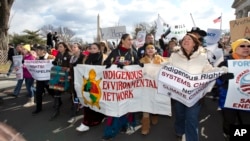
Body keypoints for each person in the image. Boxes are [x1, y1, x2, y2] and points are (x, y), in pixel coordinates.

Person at [167, 33, 227, 141]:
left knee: (191, 118)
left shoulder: (202, 57)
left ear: (194, 43)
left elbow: (209, 70)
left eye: (189, 39)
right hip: (178, 93)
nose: (186, 40)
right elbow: (166, 69)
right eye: (184, 39)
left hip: (195, 94)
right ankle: (179, 131)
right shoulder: (174, 56)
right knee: (180, 115)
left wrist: (222, 71)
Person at [102, 33, 142, 140]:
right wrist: (115, 64)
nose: (131, 41)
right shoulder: (115, 52)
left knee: (127, 107)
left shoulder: (133, 51)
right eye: (129, 39)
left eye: (131, 40)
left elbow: (137, 63)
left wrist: (140, 65)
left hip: (129, 85)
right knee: (115, 108)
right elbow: (106, 63)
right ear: (123, 40)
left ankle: (125, 125)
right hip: (116, 86)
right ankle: (110, 132)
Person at [216, 38, 250, 140]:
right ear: (235, 48)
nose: (246, 48)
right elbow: (216, 78)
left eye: (248, 46)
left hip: (246, 100)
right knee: (229, 121)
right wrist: (224, 78)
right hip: (229, 99)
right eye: (242, 46)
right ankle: (227, 133)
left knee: (246, 122)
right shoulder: (226, 63)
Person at [75, 43, 105, 132]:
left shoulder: (103, 58)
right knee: (87, 101)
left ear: (99, 50)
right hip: (88, 83)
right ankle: (86, 123)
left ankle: (97, 118)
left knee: (96, 101)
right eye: (91, 48)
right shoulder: (86, 58)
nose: (92, 50)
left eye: (94, 48)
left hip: (98, 85)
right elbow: (79, 66)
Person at [139, 43, 165, 135]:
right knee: (146, 105)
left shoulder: (160, 59)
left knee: (155, 102)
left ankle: (155, 115)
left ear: (155, 50)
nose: (150, 49)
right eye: (148, 48)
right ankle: (145, 125)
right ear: (145, 51)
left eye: (152, 48)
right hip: (146, 86)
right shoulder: (141, 60)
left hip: (157, 86)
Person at [50, 42, 71, 120]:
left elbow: (70, 65)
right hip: (58, 74)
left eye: (61, 46)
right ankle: (57, 107)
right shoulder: (58, 54)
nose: (59, 48)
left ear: (65, 47)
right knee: (56, 89)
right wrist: (54, 62)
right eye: (58, 47)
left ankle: (73, 108)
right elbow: (56, 61)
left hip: (66, 75)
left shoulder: (69, 55)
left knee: (67, 90)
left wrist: (66, 68)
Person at [32, 45, 55, 115]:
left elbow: (54, 66)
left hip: (48, 79)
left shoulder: (51, 57)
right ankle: (38, 108)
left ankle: (58, 101)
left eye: (38, 50)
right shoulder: (37, 58)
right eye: (36, 50)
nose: (37, 52)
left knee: (51, 92)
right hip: (40, 79)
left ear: (43, 51)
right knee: (38, 93)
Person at [67, 43, 85, 123]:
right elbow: (70, 68)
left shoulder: (83, 57)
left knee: (81, 93)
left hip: (81, 79)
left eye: (74, 47)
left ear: (79, 48)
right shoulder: (72, 57)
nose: (73, 48)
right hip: (73, 79)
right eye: (72, 47)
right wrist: (69, 74)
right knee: (74, 94)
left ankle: (79, 106)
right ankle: (74, 110)